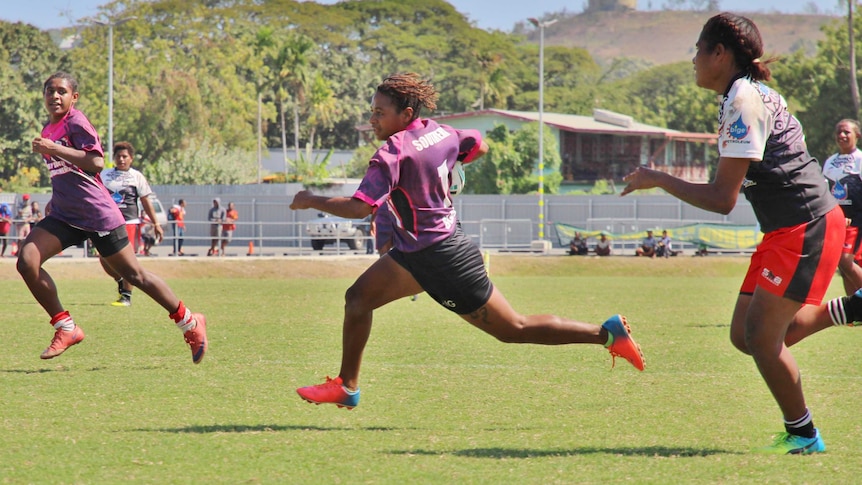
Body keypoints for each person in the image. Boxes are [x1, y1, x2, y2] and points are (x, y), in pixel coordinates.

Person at [289, 73, 644, 410]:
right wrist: (453, 166)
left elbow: (359, 207)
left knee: (513, 329)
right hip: (420, 251)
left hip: (442, 259)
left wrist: (311, 199)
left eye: (380, 113)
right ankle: (347, 387)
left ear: (406, 113)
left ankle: (606, 334)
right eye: (372, 112)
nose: (373, 120)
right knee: (358, 298)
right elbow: (479, 145)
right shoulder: (440, 132)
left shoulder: (393, 153)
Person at [621, 14, 843, 454]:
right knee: (745, 334)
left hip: (805, 223)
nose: (693, 60)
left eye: (698, 50)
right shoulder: (738, 95)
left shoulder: (743, 99)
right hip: (784, 228)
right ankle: (851, 308)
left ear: (720, 54)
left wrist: (659, 177)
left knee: (762, 338)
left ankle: (804, 435)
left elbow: (724, 198)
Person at [20, 71, 207, 364]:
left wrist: (54, 148)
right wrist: (55, 199)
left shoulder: (76, 122)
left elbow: (95, 163)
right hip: (65, 215)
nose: (54, 96)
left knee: (135, 276)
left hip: (97, 215)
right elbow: (66, 175)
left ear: (74, 97)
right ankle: (66, 327)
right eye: (49, 91)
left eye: (61, 91)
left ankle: (190, 322)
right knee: (27, 261)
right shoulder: (48, 129)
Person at [100, 141, 163, 306]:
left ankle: (126, 296)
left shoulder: (137, 176)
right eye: (118, 156)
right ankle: (120, 278)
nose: (121, 159)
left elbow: (146, 201)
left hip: (129, 222)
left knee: (128, 260)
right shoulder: (104, 175)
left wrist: (156, 224)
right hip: (107, 223)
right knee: (104, 258)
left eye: (124, 156)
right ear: (113, 158)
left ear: (131, 159)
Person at [821, 119, 862, 294]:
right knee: (844, 267)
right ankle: (853, 313)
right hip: (836, 221)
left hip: (856, 221)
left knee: (845, 261)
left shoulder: (860, 159)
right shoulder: (830, 162)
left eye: (846, 132)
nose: (842, 135)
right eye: (839, 132)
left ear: (857, 136)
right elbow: (824, 192)